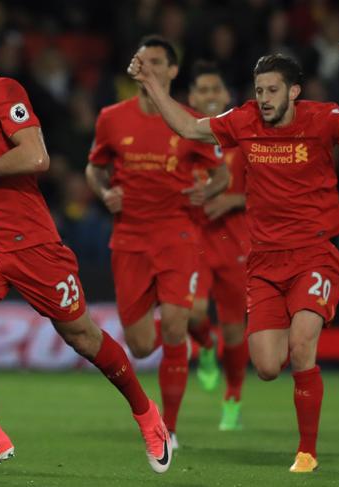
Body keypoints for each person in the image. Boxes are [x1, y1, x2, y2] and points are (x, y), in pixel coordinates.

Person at [0, 15, 172, 480]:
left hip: (30, 243)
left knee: (81, 337)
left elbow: (36, 157)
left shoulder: (6, 93)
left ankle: (146, 413)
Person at [128, 44, 339, 472]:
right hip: (263, 263)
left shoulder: (320, 120)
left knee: (303, 346)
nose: (263, 98)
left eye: (271, 90)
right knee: (266, 366)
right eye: (259, 89)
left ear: (294, 92)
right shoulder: (243, 120)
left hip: (313, 255)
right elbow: (190, 128)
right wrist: (152, 84)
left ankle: (307, 452)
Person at [86, 36, 229, 449]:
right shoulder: (111, 118)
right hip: (129, 239)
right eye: (139, 60)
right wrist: (103, 193)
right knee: (141, 345)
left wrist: (209, 191)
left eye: (154, 61)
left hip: (177, 235)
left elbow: (220, 172)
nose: (144, 66)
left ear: (171, 71)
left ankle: (170, 427)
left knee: (174, 326)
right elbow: (93, 169)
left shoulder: (189, 121)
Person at [185, 61, 250, 432]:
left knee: (234, 332)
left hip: (235, 241)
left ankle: (233, 398)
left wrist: (234, 200)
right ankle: (205, 349)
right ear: (191, 98)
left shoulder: (245, 140)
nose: (210, 96)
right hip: (194, 240)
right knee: (194, 313)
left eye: (216, 90)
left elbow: (268, 191)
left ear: (227, 96)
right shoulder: (185, 139)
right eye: (203, 91)